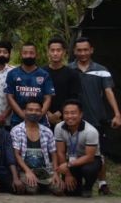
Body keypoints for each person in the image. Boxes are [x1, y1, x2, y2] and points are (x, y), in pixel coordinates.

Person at [68, 37, 119, 196]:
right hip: (72, 120)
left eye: (85, 50)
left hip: (97, 119)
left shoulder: (102, 70)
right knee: (72, 152)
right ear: (74, 51)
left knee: (99, 154)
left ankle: (102, 184)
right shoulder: (69, 69)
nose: (82, 53)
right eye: (79, 50)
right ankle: (73, 182)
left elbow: (108, 92)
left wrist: (117, 114)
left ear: (91, 50)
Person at [10, 100, 62, 195]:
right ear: (24, 111)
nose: (34, 112)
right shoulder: (16, 130)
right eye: (30, 109)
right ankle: (41, 186)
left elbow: (53, 153)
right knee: (31, 190)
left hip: (44, 170)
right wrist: (28, 172)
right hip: (25, 170)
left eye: (37, 110)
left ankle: (44, 185)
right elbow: (16, 154)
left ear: (41, 112)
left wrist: (55, 173)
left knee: (59, 189)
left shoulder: (47, 131)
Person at [54, 100, 102, 197]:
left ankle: (88, 187)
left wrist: (67, 165)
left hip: (90, 160)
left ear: (80, 114)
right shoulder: (59, 127)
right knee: (71, 193)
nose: (69, 116)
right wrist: (67, 174)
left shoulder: (91, 131)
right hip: (71, 159)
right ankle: (77, 187)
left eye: (73, 113)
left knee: (89, 170)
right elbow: (60, 152)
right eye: (66, 113)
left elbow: (89, 157)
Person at [5, 42, 55, 127]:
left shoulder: (44, 74)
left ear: (36, 55)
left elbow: (48, 98)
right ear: (21, 55)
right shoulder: (12, 74)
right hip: (17, 120)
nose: (28, 56)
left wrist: (39, 115)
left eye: (31, 53)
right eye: (25, 53)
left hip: (40, 120)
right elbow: (10, 97)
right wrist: (23, 115)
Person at [43, 37, 80, 127]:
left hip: (66, 118)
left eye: (58, 50)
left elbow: (74, 97)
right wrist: (47, 114)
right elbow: (37, 95)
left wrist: (58, 114)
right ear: (48, 52)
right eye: (52, 50)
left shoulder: (72, 74)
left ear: (64, 52)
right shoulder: (41, 72)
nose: (55, 53)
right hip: (43, 117)